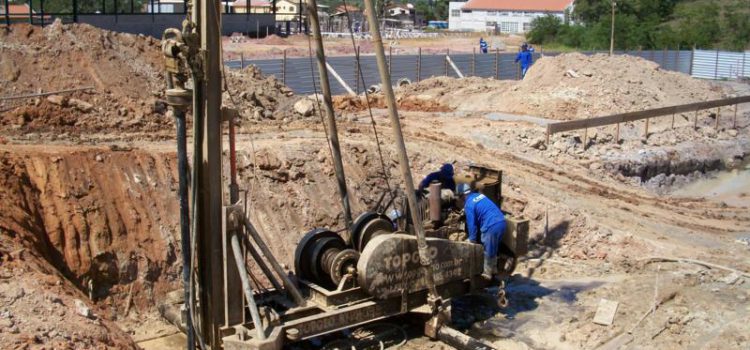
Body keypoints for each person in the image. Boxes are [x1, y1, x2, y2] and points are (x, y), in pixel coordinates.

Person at [457, 183, 506, 280]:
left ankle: (487, 274)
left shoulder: (469, 205)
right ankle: (494, 270)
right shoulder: (479, 195)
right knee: (493, 248)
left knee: (488, 249)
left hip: (491, 225)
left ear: (462, 196)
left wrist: (472, 240)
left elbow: (472, 225)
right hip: (501, 222)